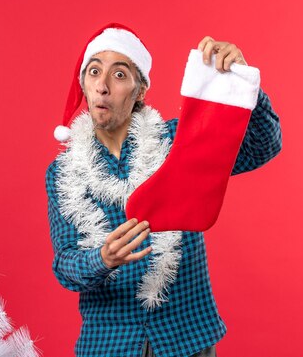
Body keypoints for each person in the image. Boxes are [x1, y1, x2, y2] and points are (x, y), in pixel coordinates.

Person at [45, 23, 282, 357]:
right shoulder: (62, 172)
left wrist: (245, 85)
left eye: (119, 75)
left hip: (186, 338)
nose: (102, 85)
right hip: (107, 345)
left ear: (140, 90)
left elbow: (262, 146)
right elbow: (66, 265)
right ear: (84, 84)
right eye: (94, 72)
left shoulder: (177, 143)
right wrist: (103, 258)